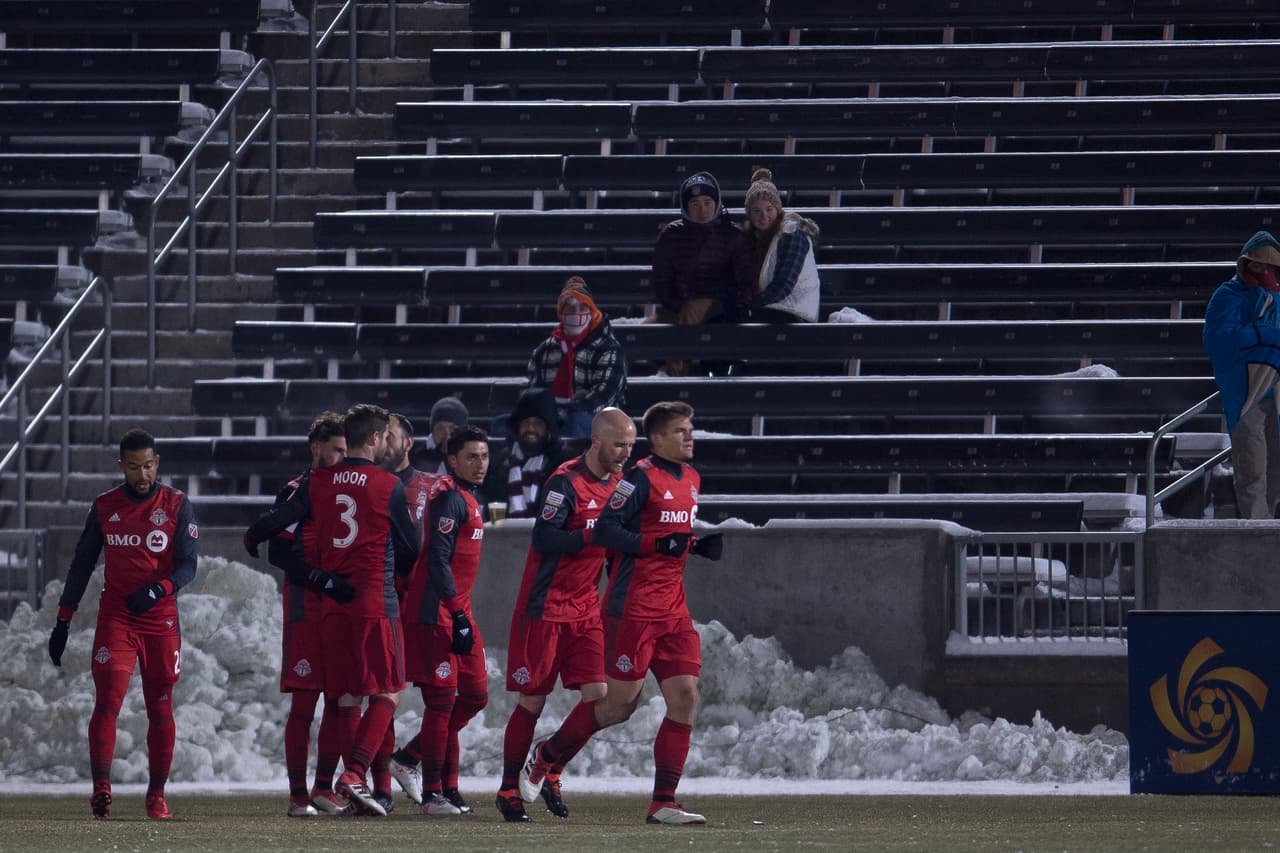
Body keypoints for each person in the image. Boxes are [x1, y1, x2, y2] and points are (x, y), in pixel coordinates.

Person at [519, 402, 724, 825]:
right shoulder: (638, 478)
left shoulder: (693, 478)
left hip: (673, 609)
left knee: (685, 696)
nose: (690, 437)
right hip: (633, 609)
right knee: (618, 707)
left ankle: (663, 802)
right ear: (660, 438)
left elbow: (665, 533)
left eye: (692, 430)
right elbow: (609, 530)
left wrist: (692, 545)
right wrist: (656, 545)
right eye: (682, 431)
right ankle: (546, 754)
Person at [244, 403, 419, 817]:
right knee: (386, 689)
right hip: (370, 600)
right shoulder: (387, 484)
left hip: (333, 607)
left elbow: (280, 518)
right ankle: (350, 775)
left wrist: (253, 533)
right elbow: (411, 547)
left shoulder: (319, 482)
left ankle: (332, 786)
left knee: (344, 698)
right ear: (375, 439)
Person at [47, 427, 200, 820]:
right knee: (108, 699)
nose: (142, 474)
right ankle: (101, 788)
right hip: (116, 617)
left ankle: (156, 795)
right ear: (122, 466)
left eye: (148, 465)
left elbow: (188, 565)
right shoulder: (104, 506)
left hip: (160, 620)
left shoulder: (178, 504)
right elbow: (82, 564)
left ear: (157, 463)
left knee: (160, 706)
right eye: (133, 467)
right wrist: (63, 619)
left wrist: (159, 590)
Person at [496, 408, 637, 823]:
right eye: (619, 444)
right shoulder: (565, 481)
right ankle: (508, 790)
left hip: (585, 609)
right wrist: (592, 534)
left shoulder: (620, 486)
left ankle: (549, 762)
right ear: (596, 441)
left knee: (598, 699)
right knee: (532, 701)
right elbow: (544, 536)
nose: (625, 453)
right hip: (544, 607)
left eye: (630, 445)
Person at [392, 425, 491, 816]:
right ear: (452, 460)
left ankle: (411, 759)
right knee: (442, 704)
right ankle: (436, 793)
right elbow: (435, 560)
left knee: (475, 696)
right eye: (471, 457)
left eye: (484, 456)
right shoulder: (450, 500)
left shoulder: (468, 498)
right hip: (437, 612)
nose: (480, 463)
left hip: (458, 611)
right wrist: (455, 611)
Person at [264, 411, 348, 817]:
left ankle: (323, 788)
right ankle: (298, 795)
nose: (342, 457)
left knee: (339, 699)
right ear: (316, 448)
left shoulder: (350, 490)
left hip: (340, 608)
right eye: (336, 450)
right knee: (304, 701)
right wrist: (320, 579)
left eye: (347, 450)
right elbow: (277, 551)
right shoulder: (296, 491)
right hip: (305, 605)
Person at [380, 412, 440, 806]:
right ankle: (378, 789)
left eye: (391, 436)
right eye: (378, 436)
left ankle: (439, 788)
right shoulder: (368, 486)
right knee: (380, 695)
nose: (383, 443)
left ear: (408, 443)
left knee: (446, 696)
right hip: (382, 605)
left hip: (423, 608)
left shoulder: (432, 488)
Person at [1204, 230, 1280, 518]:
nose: (1264, 271)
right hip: (1246, 392)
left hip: (1277, 389)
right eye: (1258, 265)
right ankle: (1257, 534)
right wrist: (1268, 335)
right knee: (1252, 467)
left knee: (1277, 470)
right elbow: (1220, 339)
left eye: (1269, 266)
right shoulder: (1228, 295)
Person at [526, 275, 628, 438]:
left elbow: (604, 396)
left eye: (583, 308)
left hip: (599, 421)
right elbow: (533, 391)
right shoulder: (544, 349)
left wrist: (570, 408)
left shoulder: (608, 348)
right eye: (570, 309)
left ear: (591, 311)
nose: (576, 313)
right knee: (505, 423)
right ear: (561, 312)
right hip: (551, 418)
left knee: (575, 421)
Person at [743, 167, 821, 323]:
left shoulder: (791, 233)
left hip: (795, 312)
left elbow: (784, 285)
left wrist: (749, 304)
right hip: (773, 309)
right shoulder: (756, 238)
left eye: (769, 209)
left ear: (778, 210)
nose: (763, 216)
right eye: (756, 211)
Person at [483, 387, 569, 519]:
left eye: (537, 423)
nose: (530, 428)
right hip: (504, 535)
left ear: (548, 428)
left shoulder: (564, 462)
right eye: (525, 423)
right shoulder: (502, 461)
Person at [420, 396, 469, 476]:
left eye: (453, 428)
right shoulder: (417, 462)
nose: (447, 436)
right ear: (432, 431)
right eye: (440, 428)